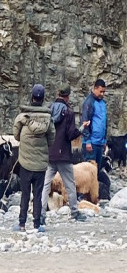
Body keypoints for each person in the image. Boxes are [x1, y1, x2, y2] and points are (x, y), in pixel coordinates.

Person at [41, 83, 90, 225]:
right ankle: (74, 212)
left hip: (50, 153)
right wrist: (82, 127)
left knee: (45, 184)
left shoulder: (49, 109)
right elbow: (70, 135)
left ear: (58, 93)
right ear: (67, 96)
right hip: (63, 155)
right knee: (70, 184)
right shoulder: (68, 112)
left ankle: (41, 214)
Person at [13, 84, 55, 232]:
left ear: (32, 97)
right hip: (41, 164)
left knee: (25, 194)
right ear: (43, 99)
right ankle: (37, 224)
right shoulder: (48, 119)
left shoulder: (22, 117)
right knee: (37, 195)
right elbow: (51, 140)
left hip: (25, 163)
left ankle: (22, 224)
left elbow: (16, 136)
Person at [80, 79, 107, 171]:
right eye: (100, 91)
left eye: (104, 92)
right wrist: (87, 141)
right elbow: (84, 121)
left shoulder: (103, 104)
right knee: (89, 172)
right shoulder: (89, 102)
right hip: (91, 143)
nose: (102, 94)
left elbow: (104, 123)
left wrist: (104, 141)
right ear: (95, 88)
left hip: (99, 142)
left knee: (97, 170)